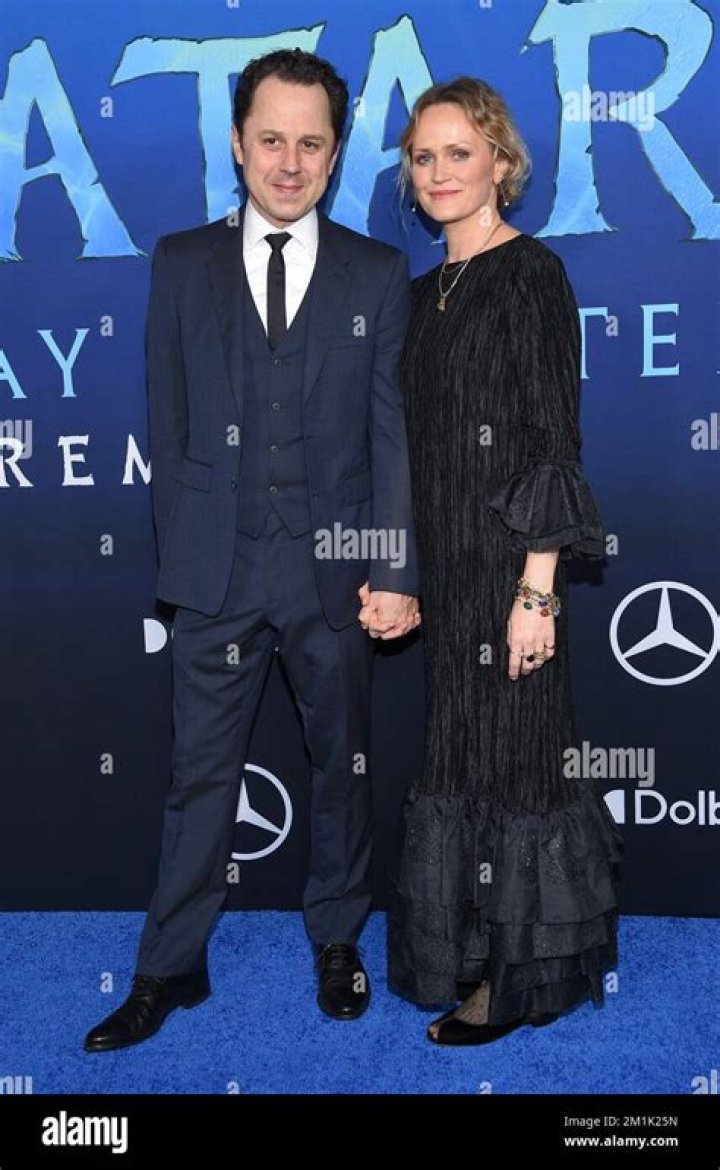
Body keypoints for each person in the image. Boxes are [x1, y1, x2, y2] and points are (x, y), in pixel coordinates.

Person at [84, 48, 419, 1053]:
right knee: (199, 776)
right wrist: (185, 564)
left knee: (341, 768)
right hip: (215, 573)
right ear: (236, 143)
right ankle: (169, 966)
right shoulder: (180, 262)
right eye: (271, 139)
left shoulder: (377, 272)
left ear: (335, 153)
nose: (289, 162)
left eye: (310, 143)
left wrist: (393, 569)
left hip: (337, 573)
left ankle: (337, 940)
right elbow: (171, 427)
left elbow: (391, 436)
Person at [386, 77, 623, 1045]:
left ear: (502, 163)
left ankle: (520, 979)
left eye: (460, 153)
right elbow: (405, 454)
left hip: (511, 570)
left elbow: (551, 443)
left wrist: (538, 591)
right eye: (423, 156)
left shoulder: (533, 274)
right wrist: (401, 572)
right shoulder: (417, 296)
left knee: (518, 764)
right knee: (461, 757)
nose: (439, 172)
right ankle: (474, 952)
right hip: (444, 572)